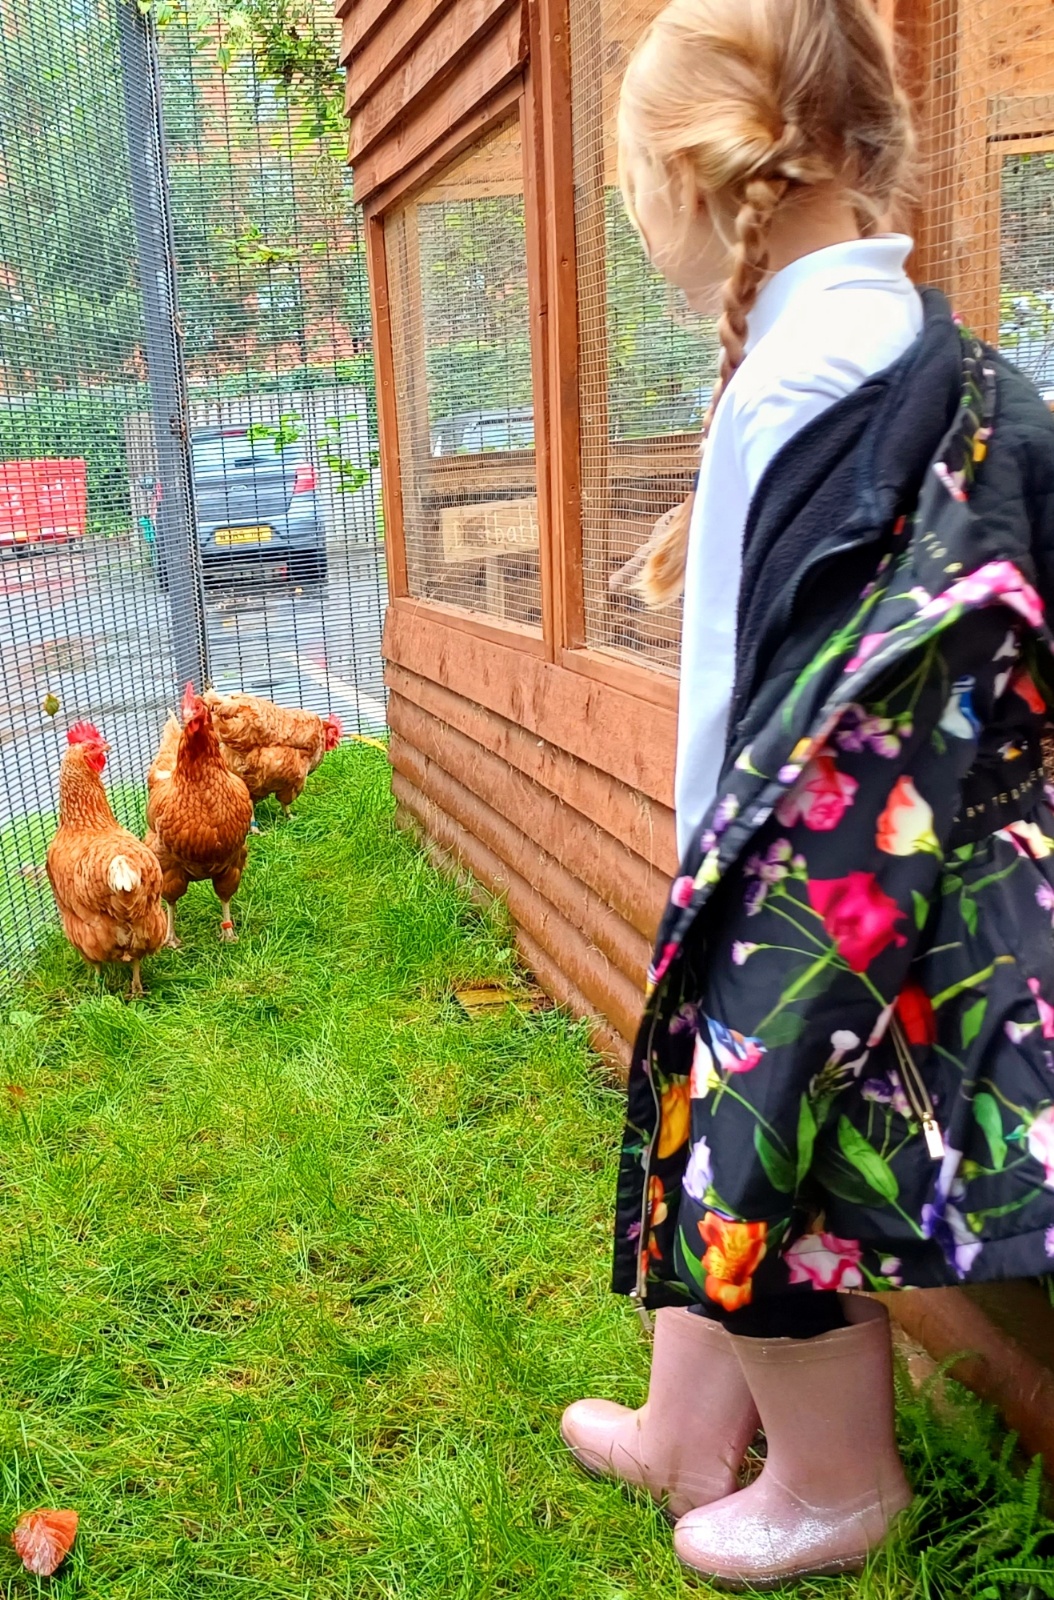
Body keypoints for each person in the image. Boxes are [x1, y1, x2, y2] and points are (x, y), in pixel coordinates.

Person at [561, 0, 1054, 1586]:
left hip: (806, 881)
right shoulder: (943, 355)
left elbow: (731, 699)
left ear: (689, 181)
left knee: (749, 1156)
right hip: (937, 861)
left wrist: (691, 896)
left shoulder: (783, 383)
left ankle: (836, 1485)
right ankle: (682, 1429)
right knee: (715, 1150)